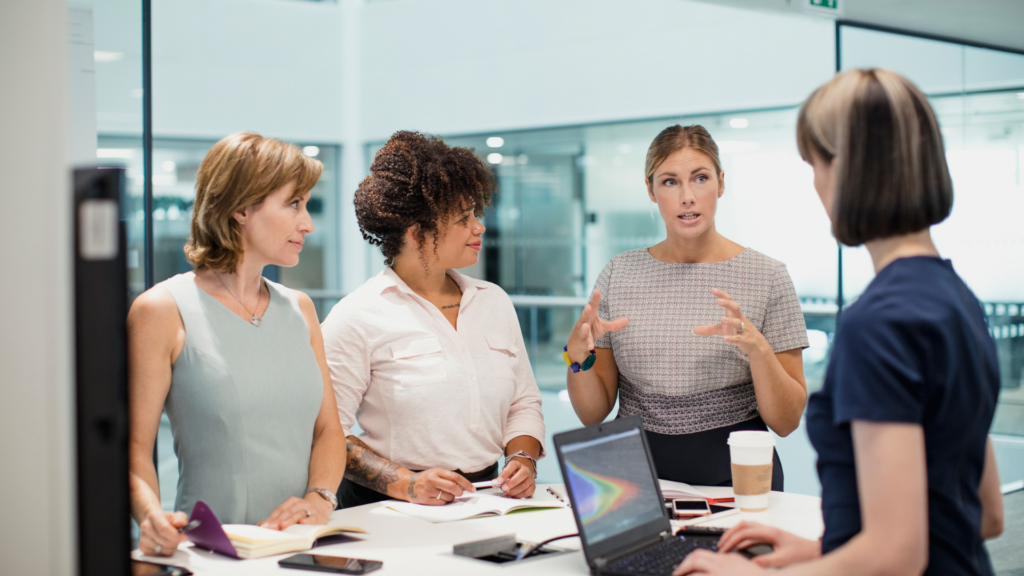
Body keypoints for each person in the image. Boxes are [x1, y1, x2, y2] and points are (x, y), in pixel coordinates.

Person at [674, 69, 1005, 576]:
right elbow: (983, 514)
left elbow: (896, 555)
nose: (815, 183)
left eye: (815, 163)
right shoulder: (957, 300)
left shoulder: (880, 323)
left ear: (853, 169)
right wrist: (822, 549)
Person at [127, 133, 346, 557]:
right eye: (294, 204)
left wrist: (319, 501)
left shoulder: (300, 308)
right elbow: (134, 448)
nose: (308, 223)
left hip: (301, 550)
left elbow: (329, 431)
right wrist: (149, 515)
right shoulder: (161, 309)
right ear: (242, 208)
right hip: (209, 553)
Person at [565, 125, 809, 489]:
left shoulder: (768, 275)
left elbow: (787, 422)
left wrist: (758, 350)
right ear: (650, 190)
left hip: (736, 468)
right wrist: (575, 354)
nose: (687, 196)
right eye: (669, 182)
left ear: (721, 183)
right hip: (634, 474)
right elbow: (593, 414)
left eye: (700, 178)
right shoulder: (618, 273)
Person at [321, 131, 545, 508]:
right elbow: (327, 434)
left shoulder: (494, 302)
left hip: (486, 500)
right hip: (386, 507)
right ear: (416, 234)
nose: (479, 227)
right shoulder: (357, 315)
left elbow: (523, 402)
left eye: (476, 213)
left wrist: (523, 460)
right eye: (462, 218)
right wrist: (408, 483)